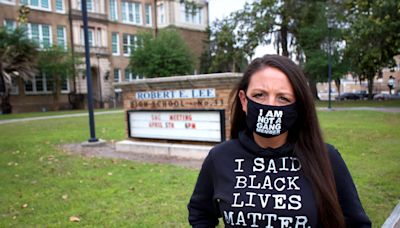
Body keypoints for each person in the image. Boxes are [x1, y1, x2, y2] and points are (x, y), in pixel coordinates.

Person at [187, 55, 371, 227]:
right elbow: (199, 212)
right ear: (244, 100)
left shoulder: (326, 158)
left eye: (283, 98)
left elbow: (356, 223)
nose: (270, 106)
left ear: (298, 105)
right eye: (260, 95)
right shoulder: (220, 157)